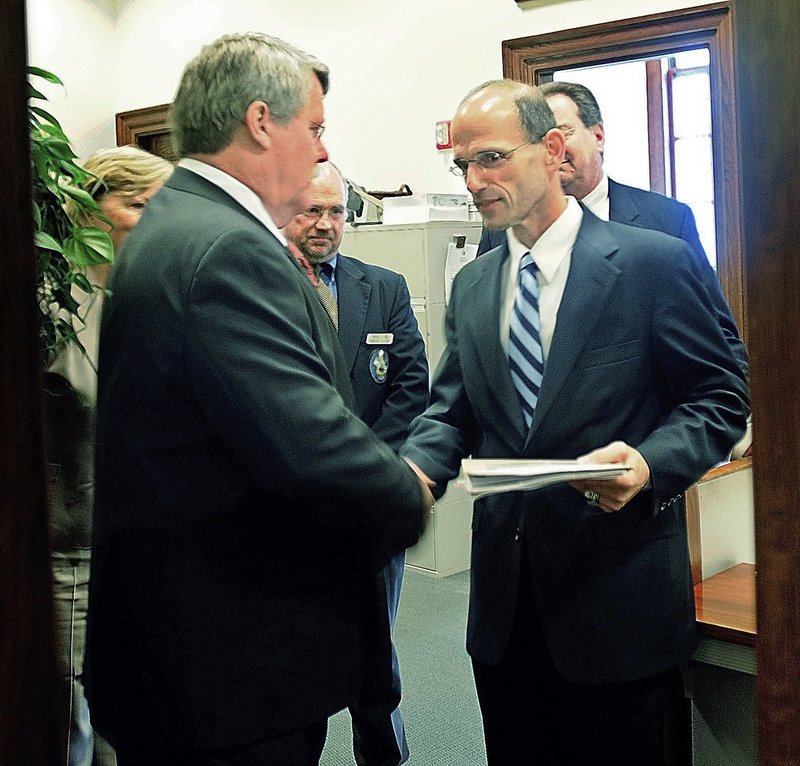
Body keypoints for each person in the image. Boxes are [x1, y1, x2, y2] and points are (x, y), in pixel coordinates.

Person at [85, 33, 433, 766]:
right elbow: (309, 450)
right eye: (314, 127)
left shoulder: (180, 224)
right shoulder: (224, 248)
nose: (320, 150)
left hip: (198, 657)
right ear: (259, 121)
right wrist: (408, 492)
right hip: (227, 672)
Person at [400, 79, 749, 765]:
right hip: (504, 612)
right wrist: (411, 474)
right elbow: (452, 412)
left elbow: (719, 397)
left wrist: (649, 463)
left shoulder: (653, 261)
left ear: (553, 150)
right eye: (462, 165)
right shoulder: (474, 284)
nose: (474, 181)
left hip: (618, 601)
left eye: (492, 158)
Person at [284, 161, 429, 766]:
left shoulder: (384, 287)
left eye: (336, 212)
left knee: (376, 649)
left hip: (371, 501)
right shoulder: (264, 286)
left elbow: (411, 385)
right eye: (311, 212)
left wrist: (365, 468)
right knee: (301, 652)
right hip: (297, 506)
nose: (324, 225)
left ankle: (384, 757)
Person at [477, 80, 748, 376]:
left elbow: (722, 349)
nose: (552, 150)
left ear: (598, 136)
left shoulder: (665, 222)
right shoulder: (503, 230)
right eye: (538, 141)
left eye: (563, 132)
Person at [45, 145, 172, 766]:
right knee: (75, 726)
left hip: (145, 550)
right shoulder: (52, 312)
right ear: (89, 209)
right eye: (138, 205)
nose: (156, 222)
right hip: (73, 555)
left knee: (135, 715)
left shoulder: (150, 301)